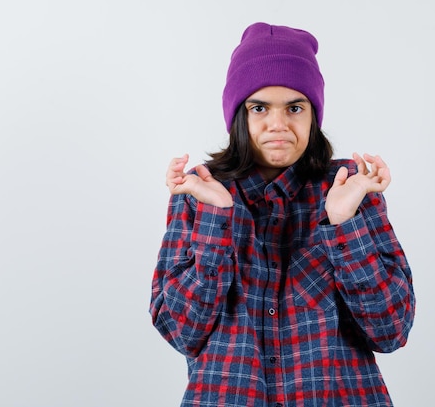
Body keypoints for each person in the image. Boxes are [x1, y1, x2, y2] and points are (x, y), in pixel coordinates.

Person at [150, 22, 415, 407]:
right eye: (260, 108)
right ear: (239, 115)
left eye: (295, 107)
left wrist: (344, 223)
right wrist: (217, 218)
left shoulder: (352, 188)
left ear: (313, 115)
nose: (278, 125)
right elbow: (181, 332)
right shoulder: (198, 193)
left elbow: (390, 330)